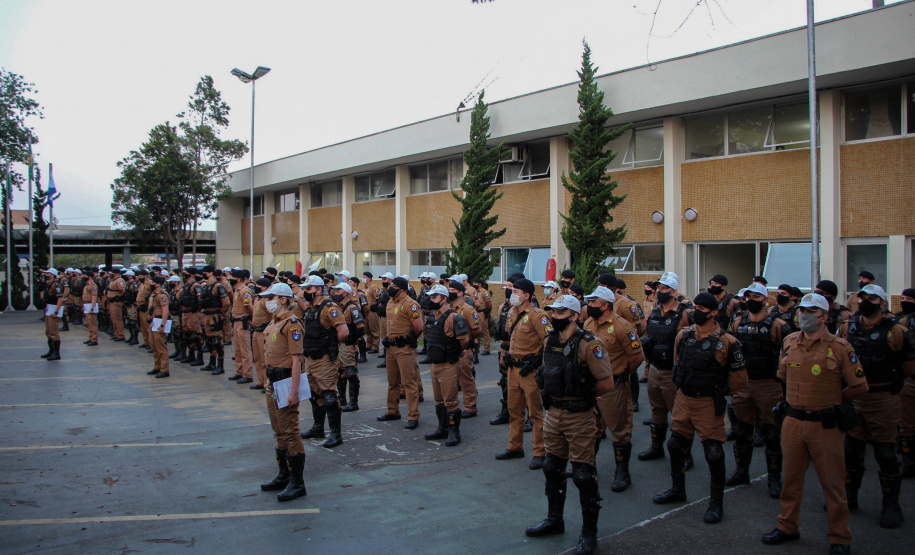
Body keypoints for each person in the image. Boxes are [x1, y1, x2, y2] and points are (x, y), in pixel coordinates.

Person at [761, 293, 869, 555]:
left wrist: (833, 401)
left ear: (824, 317)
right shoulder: (789, 342)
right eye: (802, 311)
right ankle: (787, 526)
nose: (804, 316)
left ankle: (840, 537)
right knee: (791, 481)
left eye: (811, 311)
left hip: (825, 425)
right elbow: (783, 377)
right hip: (794, 422)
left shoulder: (841, 347)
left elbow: (859, 386)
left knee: (833, 485)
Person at [525, 294, 614, 555]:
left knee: (584, 475)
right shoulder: (549, 341)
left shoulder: (589, 344)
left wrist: (581, 393)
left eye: (561, 313)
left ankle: (589, 534)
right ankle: (554, 520)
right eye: (553, 312)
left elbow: (607, 383)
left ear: (575, 316)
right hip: (553, 414)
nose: (554, 317)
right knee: (552, 467)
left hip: (580, 416)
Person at [653, 292, 747, 524]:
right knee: (675, 445)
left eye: (702, 309)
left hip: (708, 402)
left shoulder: (728, 342)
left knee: (713, 453)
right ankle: (677, 489)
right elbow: (678, 363)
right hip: (684, 399)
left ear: (714, 312)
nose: (696, 312)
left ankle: (716, 503)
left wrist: (716, 390)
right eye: (694, 307)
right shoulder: (683, 336)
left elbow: (739, 380)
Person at [837, 284, 913, 529]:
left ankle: (891, 506)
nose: (864, 302)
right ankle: (849, 497)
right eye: (862, 297)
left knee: (885, 453)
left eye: (871, 298)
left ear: (881, 302)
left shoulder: (895, 331)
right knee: (851, 450)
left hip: (882, 397)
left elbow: (909, 367)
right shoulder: (848, 327)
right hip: (854, 397)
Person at [726, 283, 790, 498]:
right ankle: (741, 471)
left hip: (768, 385)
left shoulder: (778, 325)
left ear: (765, 299)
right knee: (743, 431)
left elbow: (787, 355)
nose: (750, 299)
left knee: (772, 434)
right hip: (743, 384)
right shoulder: (737, 322)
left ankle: (774, 478)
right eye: (748, 296)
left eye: (755, 296)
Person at [583, 286, 644, 492]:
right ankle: (590, 467)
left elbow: (637, 357)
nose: (589, 306)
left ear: (605, 305)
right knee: (592, 428)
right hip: (592, 387)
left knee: (619, 430)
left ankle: (622, 472)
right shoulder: (589, 323)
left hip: (614, 387)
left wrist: (619, 374)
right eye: (589, 302)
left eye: (593, 302)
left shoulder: (623, 327)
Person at [257, 282, 307, 502]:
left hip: (286, 381)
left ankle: (297, 483)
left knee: (290, 431)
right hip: (273, 382)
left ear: (284, 299)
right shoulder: (273, 323)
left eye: (273, 297)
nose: (269, 301)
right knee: (278, 431)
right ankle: (283, 475)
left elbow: (297, 361)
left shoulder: (292, 325)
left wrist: (294, 392)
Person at [496, 278, 551, 470]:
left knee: (536, 414)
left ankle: (539, 452)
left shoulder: (537, 315)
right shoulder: (512, 311)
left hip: (530, 371)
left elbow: (549, 341)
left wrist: (541, 365)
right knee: (514, 411)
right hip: (513, 369)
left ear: (527, 295)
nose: (513, 295)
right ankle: (515, 446)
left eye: (517, 292)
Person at [639, 272, 692, 465]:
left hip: (673, 371)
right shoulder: (654, 311)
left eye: (664, 288)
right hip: (654, 368)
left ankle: (686, 453)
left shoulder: (684, 313)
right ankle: (656, 447)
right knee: (657, 409)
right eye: (658, 288)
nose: (659, 291)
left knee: (679, 414)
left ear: (674, 291)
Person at [297, 275, 349, 448]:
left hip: (325, 359)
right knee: (315, 395)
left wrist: (330, 345)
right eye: (304, 289)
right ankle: (318, 428)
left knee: (329, 396)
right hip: (310, 358)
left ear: (319, 289)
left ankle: (336, 434)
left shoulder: (329, 307)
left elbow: (343, 331)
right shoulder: (310, 308)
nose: (306, 292)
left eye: (309, 289)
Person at [423, 284, 470, 446]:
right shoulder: (431, 316)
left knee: (450, 400)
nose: (431, 300)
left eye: (434, 297)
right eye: (430, 297)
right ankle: (442, 428)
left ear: (444, 299)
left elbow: (464, 340)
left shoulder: (453, 317)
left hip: (448, 364)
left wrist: (457, 353)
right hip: (434, 364)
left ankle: (454, 431)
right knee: (439, 400)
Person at [376, 277, 424, 429]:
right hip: (390, 347)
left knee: (409, 383)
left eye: (394, 285)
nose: (390, 287)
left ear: (402, 289)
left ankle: (413, 416)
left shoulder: (410, 304)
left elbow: (418, 326)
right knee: (392, 382)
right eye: (390, 284)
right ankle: (392, 410)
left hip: (404, 348)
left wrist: (411, 339)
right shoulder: (391, 301)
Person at [449, 280, 481, 418]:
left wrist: (467, 342)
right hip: (452, 349)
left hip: (464, 349)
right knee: (451, 379)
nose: (449, 292)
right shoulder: (449, 307)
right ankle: (453, 406)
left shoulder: (468, 309)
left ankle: (470, 406)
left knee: (466, 378)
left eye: (452, 290)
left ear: (460, 293)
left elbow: (476, 330)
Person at [331, 281, 364, 412]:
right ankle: (342, 398)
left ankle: (353, 402)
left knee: (351, 373)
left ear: (345, 292)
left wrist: (352, 340)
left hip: (348, 345)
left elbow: (360, 328)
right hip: (339, 345)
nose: (335, 293)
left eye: (338, 291)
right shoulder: (338, 306)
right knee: (340, 373)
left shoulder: (352, 307)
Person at [896, 288, 915, 478]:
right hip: (911, 380)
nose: (904, 301)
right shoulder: (905, 322)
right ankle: (908, 463)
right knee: (907, 423)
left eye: (909, 298)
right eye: (903, 298)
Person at [199, 266, 230, 375]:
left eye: (206, 272)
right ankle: (212, 363)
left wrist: (221, 313)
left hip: (215, 315)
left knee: (217, 341)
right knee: (210, 340)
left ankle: (220, 366)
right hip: (207, 315)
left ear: (211, 273)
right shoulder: (206, 285)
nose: (204, 274)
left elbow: (226, 302)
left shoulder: (218, 286)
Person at [229, 269, 255, 384]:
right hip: (236, 321)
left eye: (232, 277)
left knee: (245, 350)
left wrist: (251, 319)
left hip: (242, 321)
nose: (230, 278)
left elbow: (249, 306)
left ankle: (247, 374)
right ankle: (239, 371)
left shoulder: (244, 291)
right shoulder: (236, 290)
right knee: (237, 349)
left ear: (238, 279)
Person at [249, 277, 274, 391]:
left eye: (258, 285)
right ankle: (260, 380)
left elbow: (273, 316)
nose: (256, 287)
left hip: (264, 332)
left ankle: (266, 382)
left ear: (264, 287)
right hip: (255, 331)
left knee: (265, 359)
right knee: (257, 358)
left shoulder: (267, 299)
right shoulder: (257, 298)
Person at [145, 276, 171, 379]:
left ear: (158, 284)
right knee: (153, 345)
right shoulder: (153, 294)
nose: (150, 284)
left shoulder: (162, 295)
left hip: (159, 321)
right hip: (153, 322)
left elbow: (165, 310)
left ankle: (164, 369)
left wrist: (162, 325)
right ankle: (157, 367)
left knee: (161, 346)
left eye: (152, 282)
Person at [178, 268, 205, 367]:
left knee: (196, 335)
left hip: (192, 313)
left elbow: (200, 300)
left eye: (187, 273)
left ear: (192, 275)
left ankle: (200, 357)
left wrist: (197, 309)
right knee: (187, 335)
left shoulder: (196, 285)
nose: (184, 275)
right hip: (185, 313)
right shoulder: (186, 286)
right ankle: (191, 355)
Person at [41, 269, 65, 360]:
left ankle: (56, 353)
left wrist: (56, 311)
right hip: (49, 309)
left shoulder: (56, 285)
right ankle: (51, 351)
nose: (46, 275)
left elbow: (60, 298)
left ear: (53, 275)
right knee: (48, 332)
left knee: (54, 332)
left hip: (53, 309)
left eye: (48, 274)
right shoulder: (48, 284)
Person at [472, 277, 493, 355]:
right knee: (476, 330)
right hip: (475, 312)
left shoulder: (484, 292)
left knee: (484, 331)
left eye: (475, 283)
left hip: (482, 312)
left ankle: (486, 349)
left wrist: (487, 311)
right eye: (473, 283)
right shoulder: (474, 292)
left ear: (480, 284)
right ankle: (477, 348)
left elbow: (489, 303)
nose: (474, 285)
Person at [106, 268, 127, 342]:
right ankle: (116, 333)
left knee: (117, 319)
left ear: (115, 274)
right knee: (113, 318)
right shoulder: (113, 281)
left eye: (111, 273)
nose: (110, 274)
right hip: (112, 302)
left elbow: (123, 291)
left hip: (116, 302)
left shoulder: (119, 281)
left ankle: (120, 334)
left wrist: (118, 297)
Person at [81, 268, 99, 347]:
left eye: (86, 276)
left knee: (92, 323)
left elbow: (94, 297)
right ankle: (90, 337)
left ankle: (94, 339)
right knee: (88, 323)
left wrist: (92, 307)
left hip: (91, 305)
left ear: (90, 277)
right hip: (86, 304)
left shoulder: (93, 285)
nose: (84, 277)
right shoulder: (86, 285)